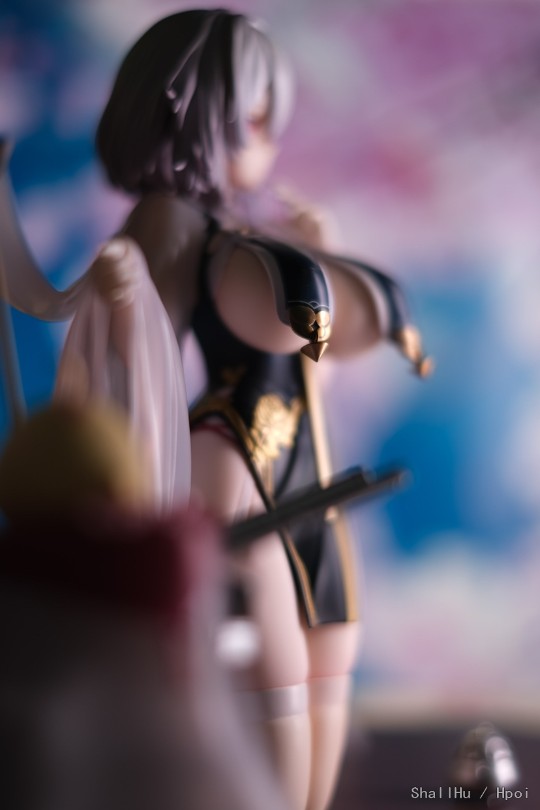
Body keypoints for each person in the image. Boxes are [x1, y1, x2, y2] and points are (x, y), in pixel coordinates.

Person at [0, 10, 430, 810]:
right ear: (196, 111)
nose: (268, 136)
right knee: (273, 665)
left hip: (303, 459)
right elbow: (141, 349)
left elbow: (318, 360)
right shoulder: (168, 222)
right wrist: (125, 297)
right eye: (255, 114)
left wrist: (324, 249)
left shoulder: (242, 228)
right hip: (230, 458)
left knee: (326, 657)